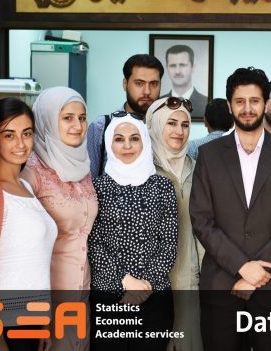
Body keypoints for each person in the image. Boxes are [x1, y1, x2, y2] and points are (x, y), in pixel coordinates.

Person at [190, 67, 271, 351]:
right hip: (222, 286)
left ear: (265, 103)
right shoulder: (209, 154)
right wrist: (242, 267)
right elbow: (202, 220)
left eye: (254, 100)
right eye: (239, 101)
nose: (247, 108)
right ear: (229, 106)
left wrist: (256, 274)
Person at [0, 97, 57, 351]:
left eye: (26, 133)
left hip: (32, 322)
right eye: (9, 135)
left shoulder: (26, 187)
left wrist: (44, 322)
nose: (21, 144)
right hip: (6, 324)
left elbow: (33, 264)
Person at [88, 114, 177, 351]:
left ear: (144, 141)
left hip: (154, 296)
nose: (127, 145)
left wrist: (143, 286)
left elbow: (168, 243)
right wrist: (125, 281)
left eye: (134, 138)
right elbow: (94, 243)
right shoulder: (97, 188)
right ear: (109, 143)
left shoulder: (163, 187)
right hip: (110, 297)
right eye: (119, 139)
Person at [21, 87, 96, 351]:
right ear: (47, 120)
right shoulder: (32, 172)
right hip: (49, 302)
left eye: (82, 117)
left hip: (81, 298)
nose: (78, 125)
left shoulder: (83, 166)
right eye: (67, 118)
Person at [146, 96, 204, 351]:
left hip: (193, 282)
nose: (179, 131)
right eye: (171, 123)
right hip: (154, 286)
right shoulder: (142, 170)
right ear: (156, 124)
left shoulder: (199, 169)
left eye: (185, 124)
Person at [86, 54, 164, 178]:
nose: (147, 91)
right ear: (125, 84)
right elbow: (89, 181)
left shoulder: (166, 127)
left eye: (154, 84)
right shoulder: (101, 127)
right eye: (139, 83)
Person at [161, 44, 208, 117]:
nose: (177, 71)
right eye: (173, 65)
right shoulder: (159, 103)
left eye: (182, 65)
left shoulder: (206, 103)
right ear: (167, 67)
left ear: (193, 67)